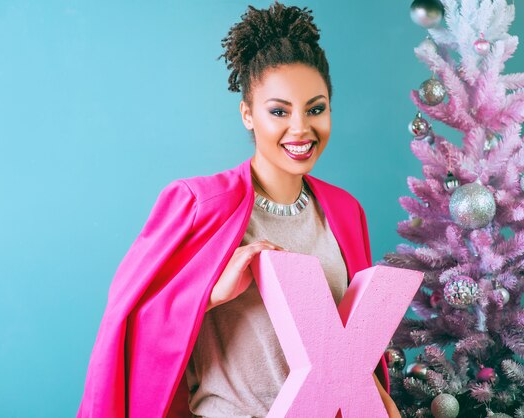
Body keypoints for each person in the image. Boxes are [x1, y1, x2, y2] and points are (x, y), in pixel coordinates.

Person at [77, 2, 400, 417]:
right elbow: (130, 327)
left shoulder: (344, 210)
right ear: (248, 114)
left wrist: (383, 405)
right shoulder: (197, 205)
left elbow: (349, 349)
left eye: (315, 109)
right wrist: (210, 295)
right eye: (279, 111)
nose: (300, 128)